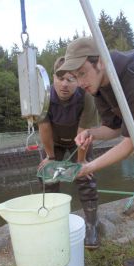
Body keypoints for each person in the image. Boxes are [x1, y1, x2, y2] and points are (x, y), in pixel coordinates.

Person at [56, 37, 134, 266]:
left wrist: (88, 167)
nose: (79, 82)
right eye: (74, 76)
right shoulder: (97, 86)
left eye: (81, 73)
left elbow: (129, 145)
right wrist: (91, 133)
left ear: (99, 62)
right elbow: (115, 127)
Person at [38, 56, 100, 249]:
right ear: (53, 78)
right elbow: (44, 127)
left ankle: (92, 226)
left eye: (70, 79)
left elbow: (84, 130)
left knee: (85, 178)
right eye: (60, 78)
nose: (64, 84)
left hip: (79, 140)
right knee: (49, 177)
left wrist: (81, 163)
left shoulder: (87, 96)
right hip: (54, 142)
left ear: (77, 81)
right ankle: (51, 222)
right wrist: (50, 157)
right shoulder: (44, 96)